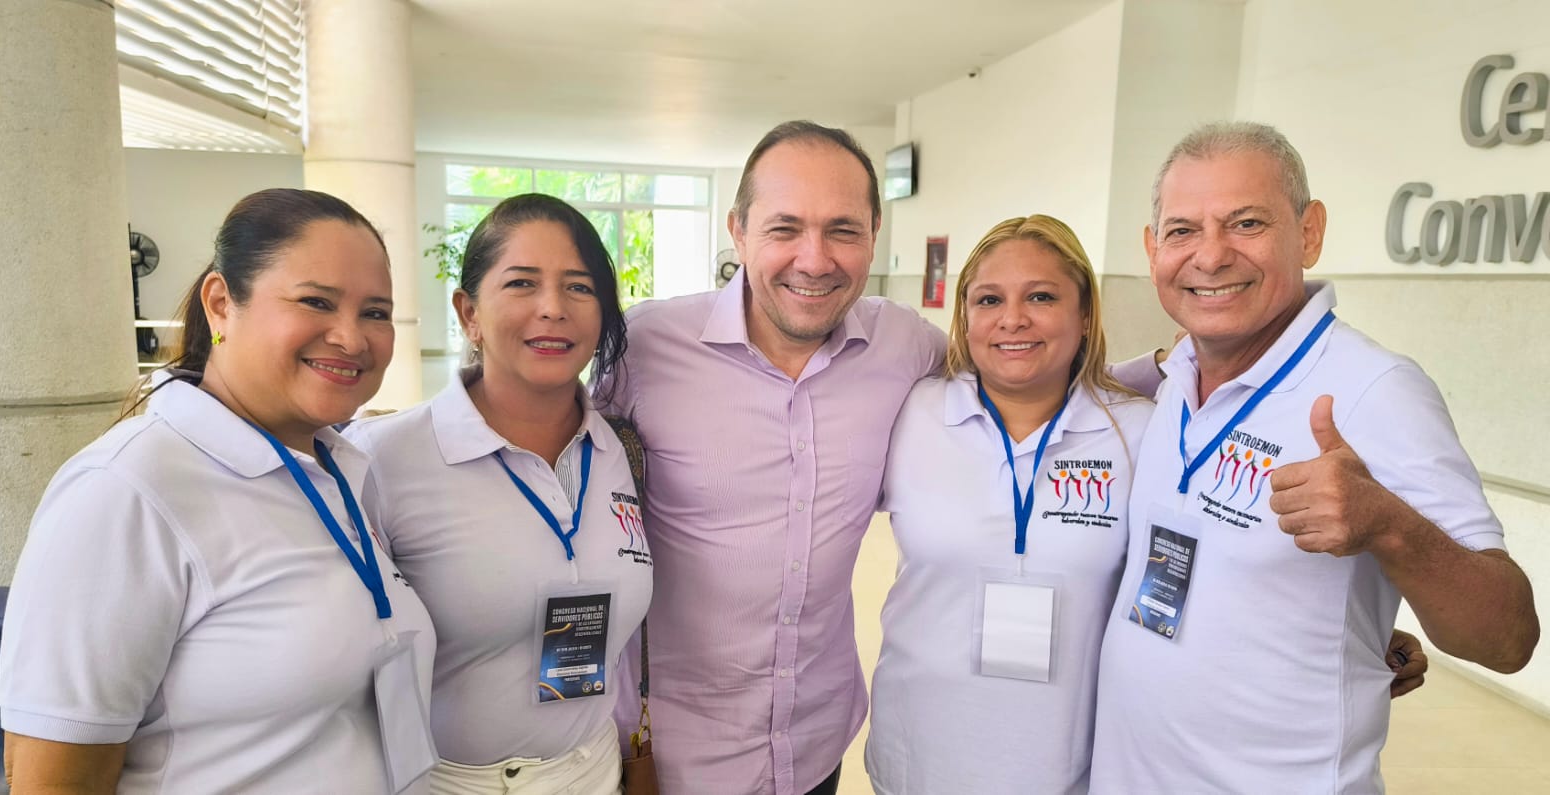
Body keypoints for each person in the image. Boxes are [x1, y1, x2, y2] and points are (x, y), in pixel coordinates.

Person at [1090, 122, 1539, 793]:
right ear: (1153, 250)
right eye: (1182, 230)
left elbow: (1507, 638)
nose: (1210, 256)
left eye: (1245, 223)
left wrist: (1390, 527)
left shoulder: (1372, 392)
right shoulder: (1174, 374)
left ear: (1309, 232)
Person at [0, 189, 437, 793]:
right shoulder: (126, 490)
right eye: (316, 301)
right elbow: (54, 778)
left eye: (376, 312)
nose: (352, 338)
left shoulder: (337, 464)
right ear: (221, 303)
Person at [596, 121, 945, 795]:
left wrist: (1165, 378)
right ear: (739, 229)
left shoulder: (905, 347)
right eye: (785, 228)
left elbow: (1023, 381)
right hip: (673, 757)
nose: (814, 260)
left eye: (843, 229)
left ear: (876, 231)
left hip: (816, 744)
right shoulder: (646, 345)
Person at [344, 193, 652, 795]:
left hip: (593, 771)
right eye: (521, 284)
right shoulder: (382, 460)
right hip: (448, 782)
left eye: (580, 288)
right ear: (469, 313)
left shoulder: (620, 450)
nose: (553, 309)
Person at [865, 215, 1153, 795]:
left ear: (1085, 314)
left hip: (1068, 763)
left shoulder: (1137, 433)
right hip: (918, 755)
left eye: (1041, 296)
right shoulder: (912, 412)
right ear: (965, 317)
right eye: (989, 299)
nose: (1012, 319)